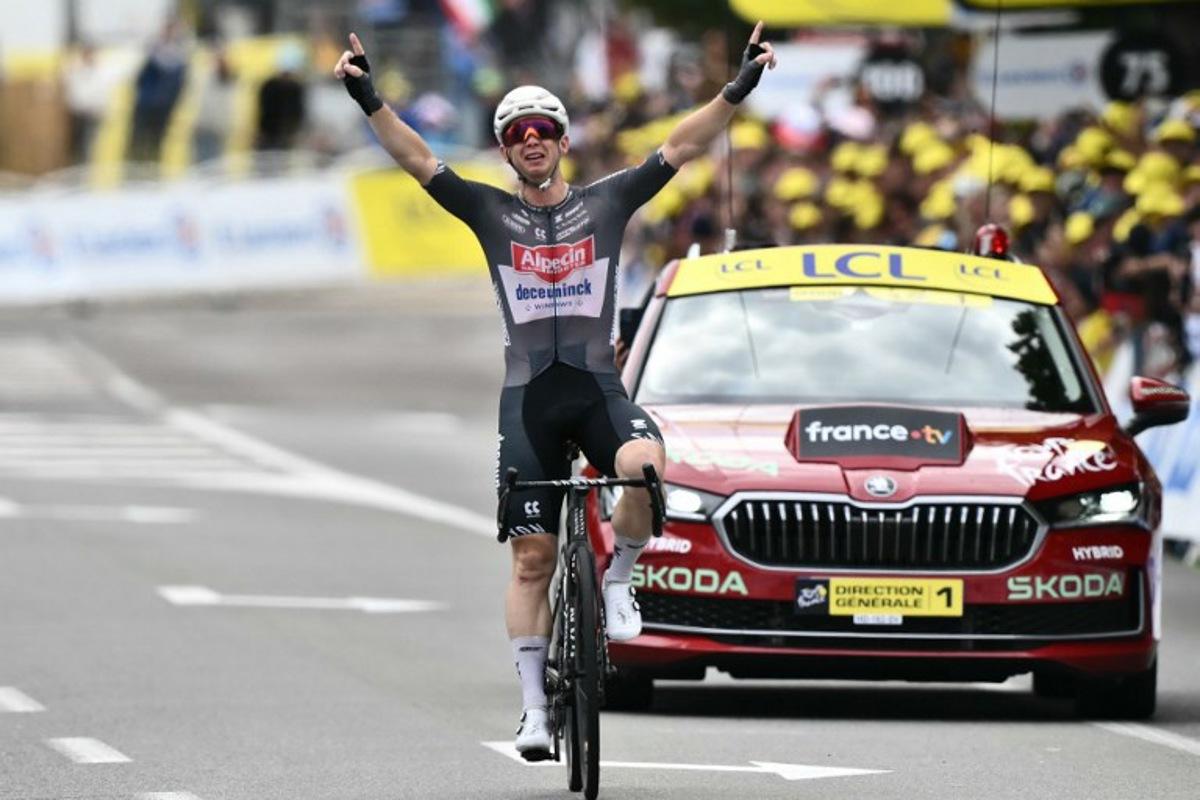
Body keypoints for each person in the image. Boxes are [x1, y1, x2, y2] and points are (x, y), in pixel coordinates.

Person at [335, 26, 777, 760]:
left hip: (598, 388)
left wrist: (736, 89)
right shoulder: (488, 213)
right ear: (505, 150)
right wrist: (369, 97)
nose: (532, 141)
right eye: (517, 133)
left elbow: (684, 143)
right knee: (532, 559)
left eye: (544, 130)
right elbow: (415, 157)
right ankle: (535, 711)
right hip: (530, 398)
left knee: (643, 464)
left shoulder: (607, 204)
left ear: (563, 142)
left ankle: (620, 582)